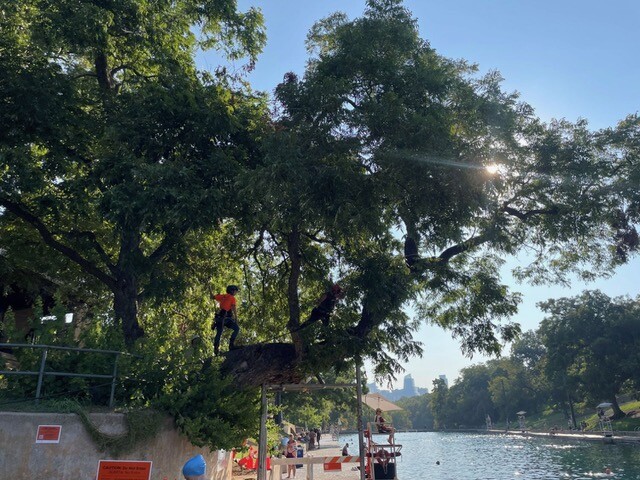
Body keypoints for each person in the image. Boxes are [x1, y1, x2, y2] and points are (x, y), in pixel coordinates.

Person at [212, 285, 240, 355]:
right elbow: (233, 307)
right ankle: (231, 345)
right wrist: (236, 318)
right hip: (226, 318)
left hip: (219, 317)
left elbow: (213, 297)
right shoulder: (232, 298)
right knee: (236, 329)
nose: (235, 293)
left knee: (219, 332)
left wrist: (213, 295)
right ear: (232, 291)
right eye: (235, 291)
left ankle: (216, 348)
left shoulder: (223, 296)